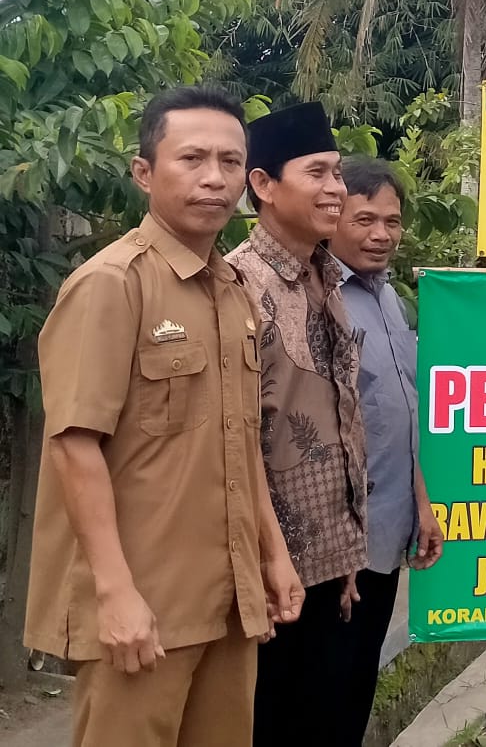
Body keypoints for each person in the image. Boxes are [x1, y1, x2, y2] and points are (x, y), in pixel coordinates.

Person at [25, 86, 304, 747]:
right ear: (144, 173)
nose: (214, 178)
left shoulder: (233, 292)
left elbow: (241, 441)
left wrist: (272, 554)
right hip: (142, 605)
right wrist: (115, 594)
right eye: (192, 158)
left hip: (227, 600)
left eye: (230, 162)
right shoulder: (111, 284)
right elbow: (74, 446)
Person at [227, 102, 369, 747]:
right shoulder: (237, 284)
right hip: (271, 576)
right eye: (317, 173)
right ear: (263, 184)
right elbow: (236, 439)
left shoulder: (326, 276)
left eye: (337, 172)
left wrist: (347, 548)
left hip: (332, 563)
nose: (336, 188)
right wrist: (270, 557)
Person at [327, 158, 444, 743]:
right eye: (365, 219)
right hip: (336, 547)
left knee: (357, 684)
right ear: (331, 218)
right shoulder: (319, 298)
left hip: (389, 529)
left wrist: (422, 506)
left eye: (392, 222)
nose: (381, 234)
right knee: (318, 693)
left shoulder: (390, 299)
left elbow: (406, 413)